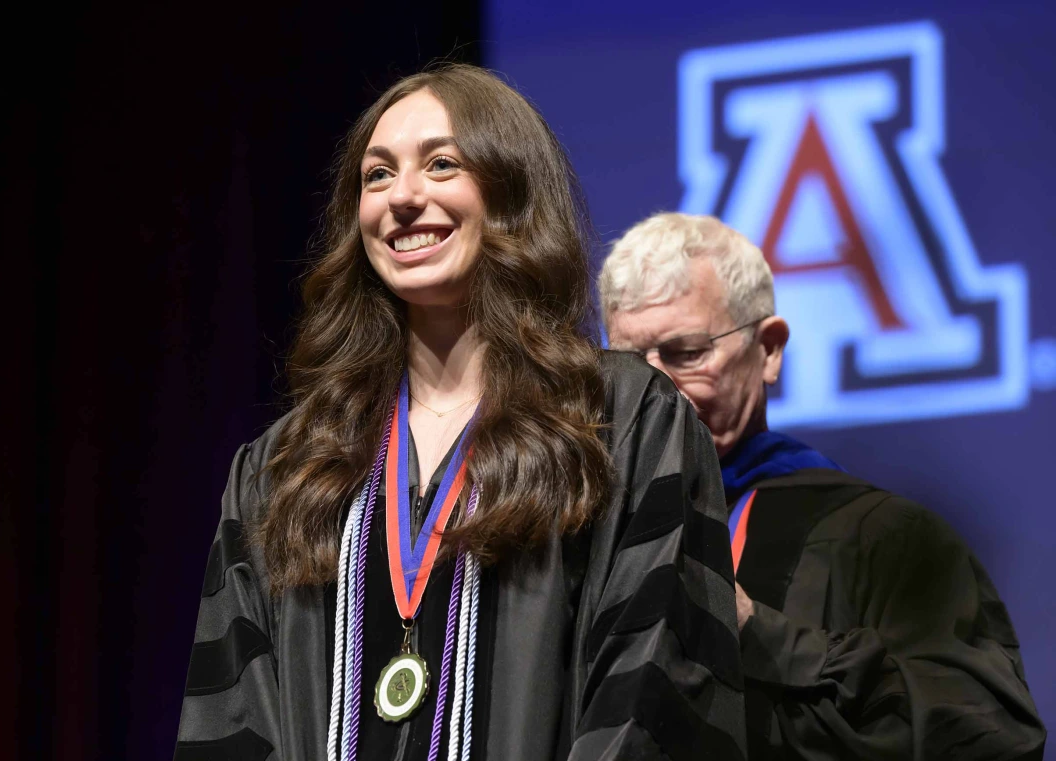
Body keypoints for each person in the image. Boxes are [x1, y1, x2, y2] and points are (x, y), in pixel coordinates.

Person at [174, 68, 747, 761]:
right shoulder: (288, 465)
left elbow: (654, 693)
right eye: (377, 175)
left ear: (511, 191)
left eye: (442, 163)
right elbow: (233, 726)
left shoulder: (617, 422)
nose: (404, 196)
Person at [599, 212, 1046, 760]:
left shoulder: (884, 537)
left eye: (687, 353)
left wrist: (753, 632)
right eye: (628, 365)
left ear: (769, 350)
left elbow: (993, 738)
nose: (657, 389)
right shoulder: (587, 536)